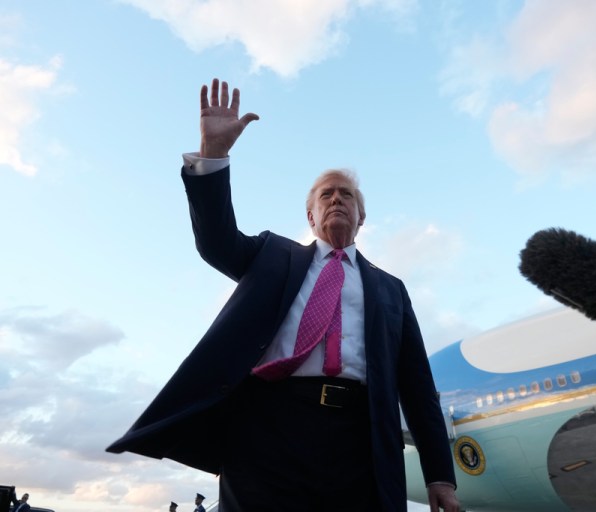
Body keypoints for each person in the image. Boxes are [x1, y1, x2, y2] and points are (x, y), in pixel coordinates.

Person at [107, 78, 459, 512]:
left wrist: (440, 474)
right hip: (268, 429)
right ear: (310, 216)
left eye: (345, 195)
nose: (336, 200)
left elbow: (417, 387)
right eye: (325, 195)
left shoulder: (391, 290)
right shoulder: (272, 256)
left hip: (361, 438)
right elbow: (216, 243)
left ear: (361, 215)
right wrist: (214, 155)